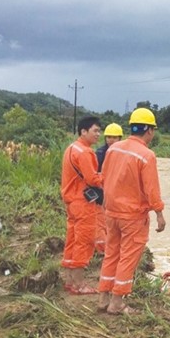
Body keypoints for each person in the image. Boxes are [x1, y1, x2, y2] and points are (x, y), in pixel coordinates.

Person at [97, 108, 166, 315]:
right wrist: (159, 213)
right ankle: (117, 302)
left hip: (111, 211)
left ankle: (103, 298)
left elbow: (104, 177)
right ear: (149, 130)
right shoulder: (147, 155)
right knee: (128, 256)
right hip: (133, 216)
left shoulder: (114, 149)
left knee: (111, 253)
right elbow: (151, 189)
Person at [60, 116, 103, 295]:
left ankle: (70, 281)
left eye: (99, 131)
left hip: (72, 201)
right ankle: (79, 284)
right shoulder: (85, 152)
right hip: (83, 203)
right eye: (95, 131)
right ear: (83, 131)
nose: (98, 134)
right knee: (84, 242)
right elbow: (92, 179)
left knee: (72, 240)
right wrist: (107, 177)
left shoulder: (71, 148)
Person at [94, 123, 123, 254]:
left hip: (118, 193)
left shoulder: (124, 153)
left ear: (120, 138)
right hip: (102, 192)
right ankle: (103, 248)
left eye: (114, 137)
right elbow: (94, 174)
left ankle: (114, 246)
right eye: (108, 137)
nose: (111, 140)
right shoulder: (100, 153)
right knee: (102, 220)